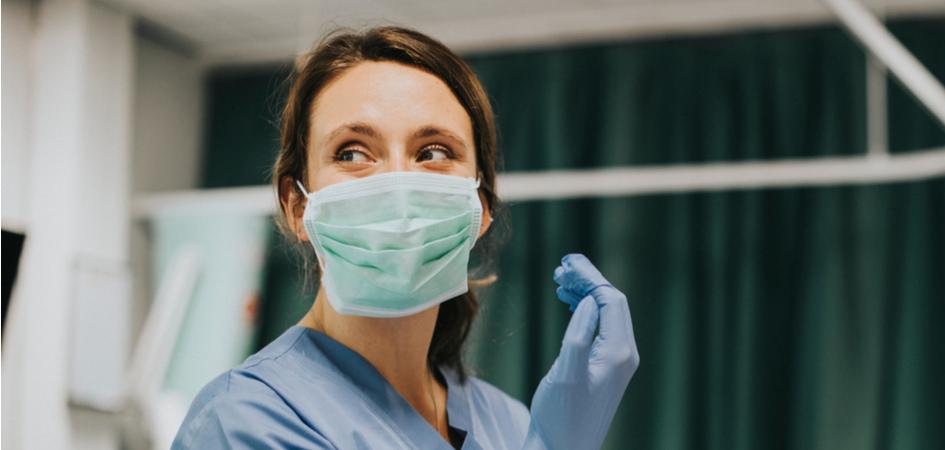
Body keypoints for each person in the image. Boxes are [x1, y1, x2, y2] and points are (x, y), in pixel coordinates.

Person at [170, 26, 639, 450]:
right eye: (352, 152)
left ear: (480, 207)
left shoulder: (510, 423)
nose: (398, 186)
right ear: (298, 206)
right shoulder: (244, 422)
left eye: (433, 152)